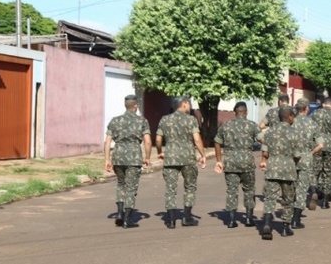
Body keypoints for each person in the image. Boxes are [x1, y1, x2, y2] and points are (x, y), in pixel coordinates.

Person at [155, 96, 207, 229]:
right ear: (183, 104)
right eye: (188, 104)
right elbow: (196, 139)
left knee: (170, 189)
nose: (189, 107)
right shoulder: (191, 120)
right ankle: (187, 217)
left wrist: (160, 152)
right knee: (190, 187)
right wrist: (202, 155)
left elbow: (158, 140)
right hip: (188, 158)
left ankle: (171, 220)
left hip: (170, 158)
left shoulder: (164, 119)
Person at [104, 94, 152, 229]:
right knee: (131, 187)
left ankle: (119, 213)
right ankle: (127, 219)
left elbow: (107, 142)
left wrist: (107, 159)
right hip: (133, 157)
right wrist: (147, 157)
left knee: (121, 184)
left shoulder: (115, 121)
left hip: (118, 157)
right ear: (135, 106)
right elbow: (148, 141)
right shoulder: (142, 121)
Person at [214, 101, 262, 228]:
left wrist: (219, 160)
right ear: (246, 112)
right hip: (247, 162)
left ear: (235, 113)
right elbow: (263, 140)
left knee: (231, 191)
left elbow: (217, 142)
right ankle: (249, 218)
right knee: (249, 190)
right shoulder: (252, 125)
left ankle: (231, 220)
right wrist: (265, 158)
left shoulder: (226, 125)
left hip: (230, 162)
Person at [259, 107, 301, 240]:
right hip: (288, 168)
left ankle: (266, 224)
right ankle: (285, 228)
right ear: (289, 117)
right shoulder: (294, 132)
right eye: (293, 116)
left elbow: (265, 152)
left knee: (270, 198)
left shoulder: (270, 132)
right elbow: (297, 155)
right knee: (288, 199)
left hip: (272, 168)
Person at [292, 98, 324, 227]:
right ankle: (296, 219)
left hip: (291, 159)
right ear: (307, 109)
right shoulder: (313, 124)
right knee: (302, 189)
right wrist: (311, 153)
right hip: (306, 158)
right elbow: (321, 145)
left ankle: (287, 215)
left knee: (291, 187)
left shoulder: (291, 122)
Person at [311, 97, 331, 209]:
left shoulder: (315, 114)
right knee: (328, 173)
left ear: (323, 104)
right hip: (330, 146)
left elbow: (309, 130)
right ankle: (325, 201)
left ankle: (314, 191)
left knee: (315, 171)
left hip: (316, 145)